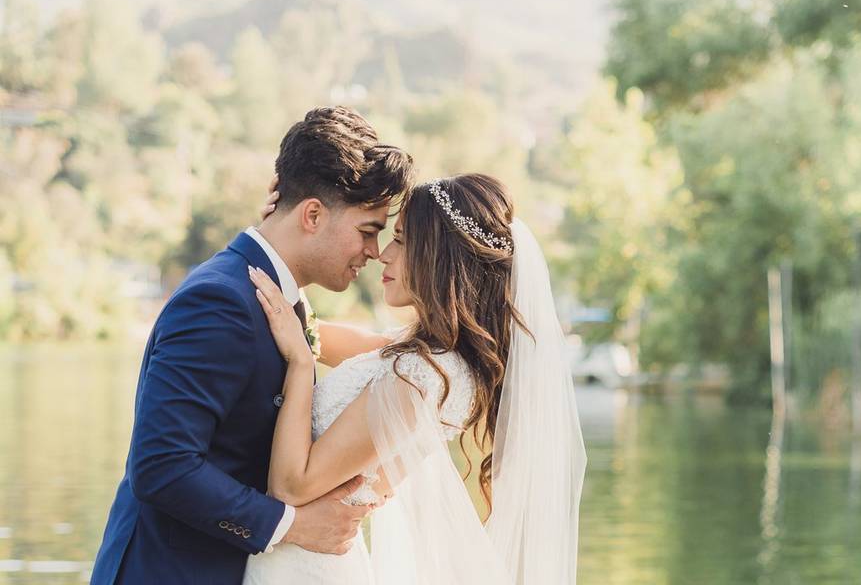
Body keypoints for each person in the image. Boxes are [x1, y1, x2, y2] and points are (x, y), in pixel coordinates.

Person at [90, 106, 414, 585]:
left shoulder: (280, 296)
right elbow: (162, 465)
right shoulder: (219, 301)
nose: (372, 251)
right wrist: (292, 525)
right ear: (312, 215)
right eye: (367, 231)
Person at [244, 173, 587, 584]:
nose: (383, 254)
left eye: (402, 240)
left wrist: (300, 366)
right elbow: (312, 331)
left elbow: (291, 487)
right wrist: (279, 239)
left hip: (304, 567)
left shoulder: (424, 377)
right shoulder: (426, 358)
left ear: (439, 256)